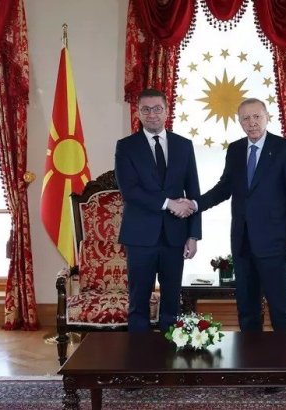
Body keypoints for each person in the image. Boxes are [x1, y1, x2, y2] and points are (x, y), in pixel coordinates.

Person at [191, 98, 286, 331]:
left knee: (279, 308)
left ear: (267, 117)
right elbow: (224, 188)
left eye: (256, 117)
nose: (251, 122)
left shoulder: (284, 148)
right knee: (246, 307)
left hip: (275, 243)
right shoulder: (235, 150)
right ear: (240, 121)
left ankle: (284, 353)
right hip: (243, 242)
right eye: (245, 118)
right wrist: (194, 204)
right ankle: (250, 352)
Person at [115, 88, 199, 333]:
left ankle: (169, 353)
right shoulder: (126, 147)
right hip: (140, 237)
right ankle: (139, 354)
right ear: (138, 113)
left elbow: (194, 192)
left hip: (175, 236)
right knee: (138, 304)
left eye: (157, 109)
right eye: (146, 109)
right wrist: (169, 203)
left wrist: (193, 235)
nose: (152, 114)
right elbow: (129, 191)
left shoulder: (184, 145)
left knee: (172, 303)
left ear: (166, 110)